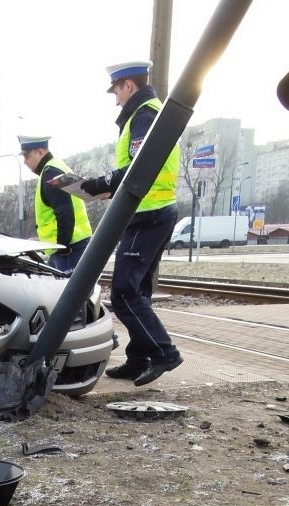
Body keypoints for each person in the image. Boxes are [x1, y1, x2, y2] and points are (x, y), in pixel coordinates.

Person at [77, 60, 182, 386]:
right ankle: (139, 358)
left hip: (148, 214)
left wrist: (97, 184)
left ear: (128, 86)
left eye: (117, 91)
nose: (116, 99)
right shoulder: (148, 114)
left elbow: (139, 167)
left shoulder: (145, 115)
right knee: (139, 292)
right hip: (152, 211)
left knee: (124, 293)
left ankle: (165, 352)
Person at [18, 134, 92, 275]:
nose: (24, 162)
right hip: (73, 244)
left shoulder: (50, 173)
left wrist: (62, 246)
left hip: (68, 249)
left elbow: (65, 212)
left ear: (40, 152)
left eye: (27, 156)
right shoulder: (58, 166)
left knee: (68, 294)